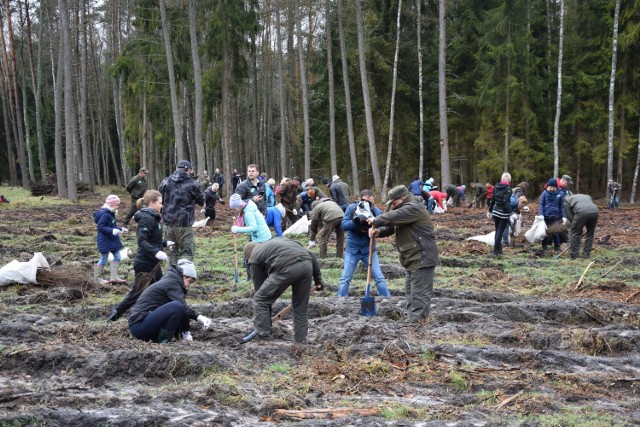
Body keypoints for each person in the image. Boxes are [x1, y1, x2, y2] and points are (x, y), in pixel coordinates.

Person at [367, 186, 438, 321]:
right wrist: (379, 232)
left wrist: (376, 219)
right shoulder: (403, 209)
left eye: (394, 202)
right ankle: (412, 321)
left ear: (402, 198)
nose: (392, 205)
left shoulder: (414, 207)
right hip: (412, 257)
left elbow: (395, 216)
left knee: (419, 295)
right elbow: (392, 226)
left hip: (422, 256)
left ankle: (418, 325)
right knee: (411, 294)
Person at [243, 238, 324, 343]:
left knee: (259, 299)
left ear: (248, 257)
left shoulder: (253, 258)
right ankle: (301, 342)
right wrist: (318, 279)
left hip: (286, 266)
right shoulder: (277, 243)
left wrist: (263, 324)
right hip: (307, 265)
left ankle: (264, 339)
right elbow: (311, 255)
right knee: (300, 308)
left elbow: (262, 295)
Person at [109, 190, 173, 321]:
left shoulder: (154, 218)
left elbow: (152, 241)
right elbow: (142, 240)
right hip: (145, 264)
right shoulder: (147, 218)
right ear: (152, 203)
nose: (162, 206)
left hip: (153, 264)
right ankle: (114, 316)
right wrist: (157, 252)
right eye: (160, 203)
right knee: (136, 294)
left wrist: (165, 244)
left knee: (162, 290)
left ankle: (159, 316)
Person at [128, 259, 213, 343]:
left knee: (178, 307)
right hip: (140, 325)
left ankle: (163, 339)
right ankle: (164, 341)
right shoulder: (171, 283)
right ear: (184, 276)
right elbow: (181, 307)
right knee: (177, 306)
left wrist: (186, 332)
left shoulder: (170, 281)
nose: (188, 285)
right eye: (190, 281)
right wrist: (198, 317)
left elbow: (184, 311)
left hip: (144, 324)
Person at [338, 189, 390, 298]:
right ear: (359, 200)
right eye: (364, 201)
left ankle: (387, 300)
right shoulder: (351, 209)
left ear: (373, 201)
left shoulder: (375, 211)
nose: (366, 204)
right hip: (352, 250)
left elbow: (384, 226)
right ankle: (341, 302)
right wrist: (356, 221)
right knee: (345, 278)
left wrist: (374, 226)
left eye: (369, 202)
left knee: (379, 278)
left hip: (369, 250)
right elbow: (344, 226)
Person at [158, 160, 205, 264]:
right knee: (187, 252)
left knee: (171, 252)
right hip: (184, 224)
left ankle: (172, 277)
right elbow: (201, 201)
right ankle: (184, 276)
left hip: (168, 223)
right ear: (188, 170)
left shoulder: (166, 181)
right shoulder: (192, 184)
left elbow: (159, 198)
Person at [93, 195, 128, 284]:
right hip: (104, 240)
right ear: (112, 205)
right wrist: (112, 230)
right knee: (104, 258)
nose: (118, 207)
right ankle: (97, 278)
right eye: (117, 205)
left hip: (112, 240)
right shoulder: (105, 214)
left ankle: (114, 277)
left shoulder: (110, 213)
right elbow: (101, 227)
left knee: (117, 256)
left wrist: (120, 229)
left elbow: (112, 226)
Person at [564, 194, 599, 259]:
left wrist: (577, 228)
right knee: (590, 234)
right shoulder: (586, 196)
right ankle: (586, 255)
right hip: (595, 211)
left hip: (581, 212)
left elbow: (570, 217)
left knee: (574, 233)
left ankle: (574, 256)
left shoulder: (566, 202)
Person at [537, 178, 567, 253]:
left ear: (556, 187)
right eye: (550, 187)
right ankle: (544, 246)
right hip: (545, 216)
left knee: (555, 232)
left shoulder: (560, 194)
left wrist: (564, 216)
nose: (552, 188)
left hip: (555, 216)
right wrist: (541, 214)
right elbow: (541, 205)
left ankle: (557, 246)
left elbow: (562, 206)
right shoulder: (544, 193)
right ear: (548, 186)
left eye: (553, 187)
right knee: (545, 232)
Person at [488, 172, 513, 256]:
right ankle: (495, 251)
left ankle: (499, 250)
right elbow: (506, 202)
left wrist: (490, 210)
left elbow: (492, 200)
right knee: (500, 232)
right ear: (509, 180)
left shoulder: (495, 187)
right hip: (503, 214)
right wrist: (511, 212)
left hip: (495, 212)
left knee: (497, 231)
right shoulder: (508, 189)